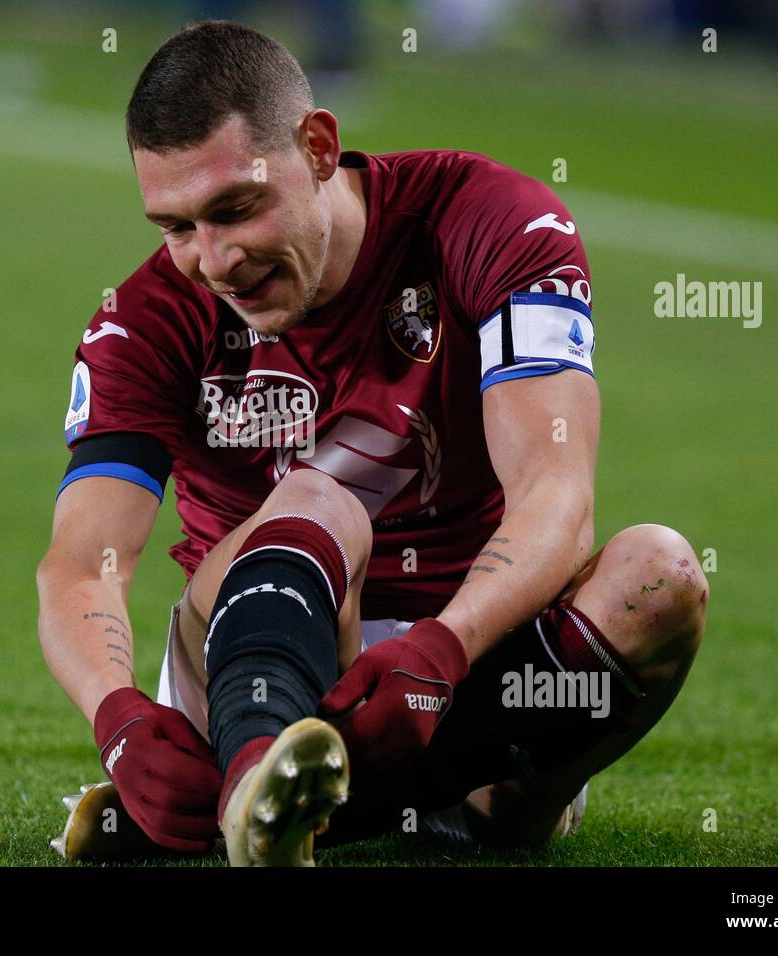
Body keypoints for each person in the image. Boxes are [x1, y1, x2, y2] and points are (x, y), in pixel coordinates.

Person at [37, 19, 708, 866]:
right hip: (248, 661)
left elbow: (558, 498)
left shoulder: (493, 222)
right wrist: (118, 716)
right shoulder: (145, 320)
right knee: (322, 497)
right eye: (177, 227)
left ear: (319, 147)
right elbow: (80, 561)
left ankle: (292, 811)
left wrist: (444, 646)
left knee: (662, 576)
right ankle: (257, 768)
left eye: (236, 209)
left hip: (468, 660)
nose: (214, 260)